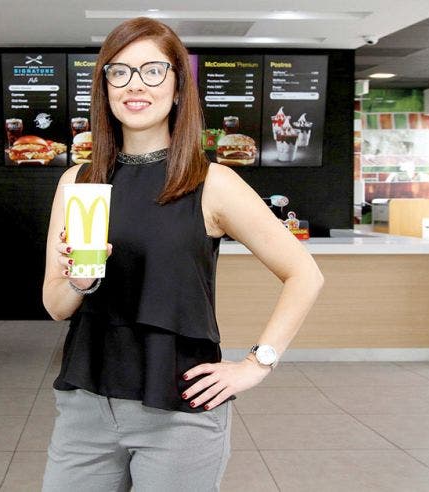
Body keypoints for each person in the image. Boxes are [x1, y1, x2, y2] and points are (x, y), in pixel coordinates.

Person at [41, 17, 323, 492]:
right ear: (105, 87)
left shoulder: (212, 183)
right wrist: (79, 281)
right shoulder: (78, 183)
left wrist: (257, 364)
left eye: (153, 71)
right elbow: (54, 306)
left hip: (179, 410)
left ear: (177, 89)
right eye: (120, 72)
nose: (136, 85)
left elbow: (304, 273)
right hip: (86, 406)